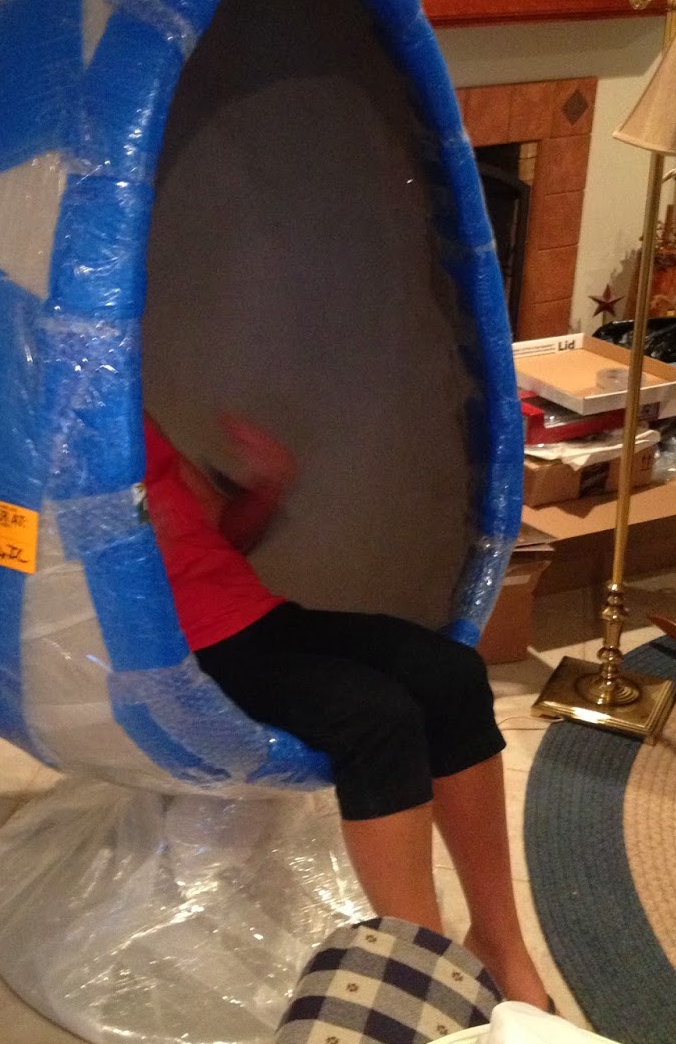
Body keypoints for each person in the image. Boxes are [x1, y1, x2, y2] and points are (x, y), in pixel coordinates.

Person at [143, 409, 551, 1011]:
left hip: (256, 618)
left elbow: (219, 535)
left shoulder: (136, 419)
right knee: (375, 718)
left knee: (451, 673)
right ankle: (425, 983)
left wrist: (266, 484)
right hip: (175, 653)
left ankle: (499, 945)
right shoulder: (45, 425)